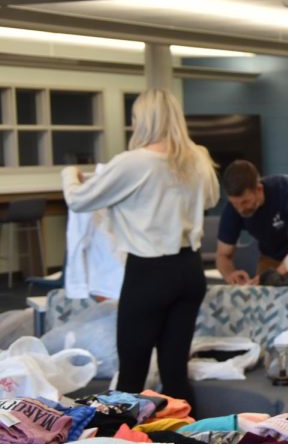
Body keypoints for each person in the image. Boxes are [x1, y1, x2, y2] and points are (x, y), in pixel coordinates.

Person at [61, 88, 219, 405]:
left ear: (143, 121)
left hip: (149, 274)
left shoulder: (133, 162)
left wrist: (69, 174)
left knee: (133, 373)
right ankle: (186, 443)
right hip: (190, 271)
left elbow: (78, 200)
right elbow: (211, 199)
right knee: (174, 372)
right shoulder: (198, 157)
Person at [216, 160, 288, 285]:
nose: (240, 209)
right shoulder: (232, 209)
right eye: (235, 204)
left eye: (245, 202)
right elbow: (223, 255)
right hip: (271, 259)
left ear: (259, 189)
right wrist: (230, 275)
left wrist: (271, 278)